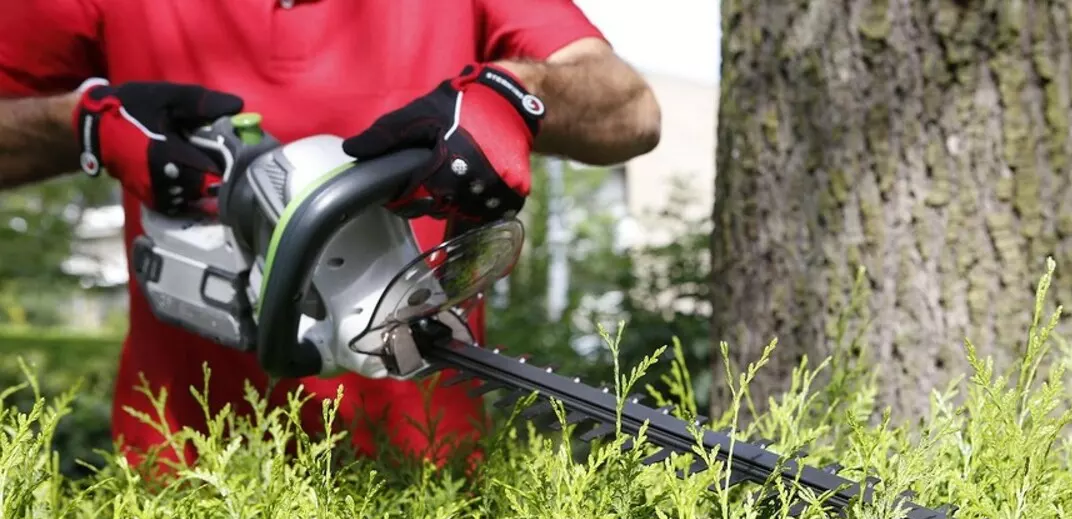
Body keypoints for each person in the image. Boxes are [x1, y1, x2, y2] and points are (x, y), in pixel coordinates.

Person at [0, 0, 661, 471]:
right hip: (184, 470)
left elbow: (631, 108)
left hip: (427, 470)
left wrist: (519, 94)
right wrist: (80, 125)